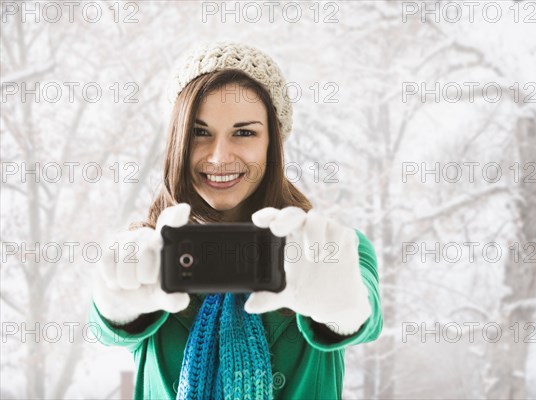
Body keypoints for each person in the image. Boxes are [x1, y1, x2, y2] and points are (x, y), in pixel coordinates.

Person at [90, 42, 383, 400]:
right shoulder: (148, 251)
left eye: (244, 132)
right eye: (200, 132)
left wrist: (344, 306)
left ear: (272, 143)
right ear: (178, 140)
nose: (219, 157)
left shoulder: (328, 249)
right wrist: (116, 304)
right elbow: (106, 323)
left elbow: (364, 316)